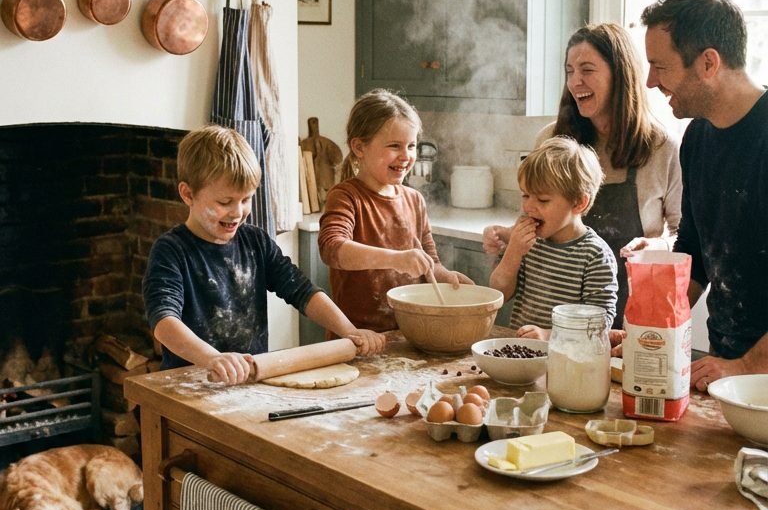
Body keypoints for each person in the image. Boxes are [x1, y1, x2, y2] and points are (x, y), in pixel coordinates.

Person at [143, 125, 385, 383]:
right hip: (191, 383)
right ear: (188, 194)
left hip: (250, 381)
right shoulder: (171, 251)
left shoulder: (255, 242)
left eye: (246, 199)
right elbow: (164, 322)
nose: (238, 212)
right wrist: (212, 358)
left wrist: (349, 330)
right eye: (225, 202)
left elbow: (302, 291)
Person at [483, 22, 682, 325]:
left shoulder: (661, 147)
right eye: (569, 71)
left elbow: (684, 235)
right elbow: (536, 214)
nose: (575, 82)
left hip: (633, 319)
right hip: (549, 328)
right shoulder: (552, 140)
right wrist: (509, 237)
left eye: (587, 70)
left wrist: (659, 245)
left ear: (620, 75)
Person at [642, 0, 768, 391]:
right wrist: (650, 332)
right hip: (727, 369)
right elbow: (694, 252)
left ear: (709, 63)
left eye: (660, 67)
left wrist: (747, 365)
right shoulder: (696, 139)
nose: (649, 81)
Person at [318, 89, 471, 332]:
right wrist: (397, 259)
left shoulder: (414, 200)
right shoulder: (346, 196)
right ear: (359, 147)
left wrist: (447, 277)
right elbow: (332, 249)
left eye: (411, 146)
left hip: (408, 334)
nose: (406, 156)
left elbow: (430, 262)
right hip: (359, 337)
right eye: (394, 146)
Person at [488, 137, 618, 338]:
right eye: (525, 195)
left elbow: (600, 325)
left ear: (579, 203)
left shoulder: (594, 255)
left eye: (542, 199)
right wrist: (513, 251)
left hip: (569, 361)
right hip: (523, 355)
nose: (528, 206)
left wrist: (549, 335)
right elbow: (498, 294)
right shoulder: (526, 242)